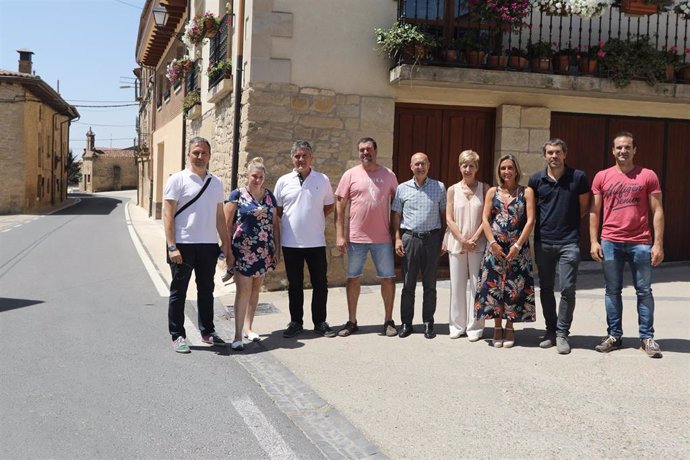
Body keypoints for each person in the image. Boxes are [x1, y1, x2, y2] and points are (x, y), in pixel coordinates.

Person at [589, 131, 665, 359]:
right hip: (610, 240)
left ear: (634, 150)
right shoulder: (602, 176)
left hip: (640, 242)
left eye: (627, 147)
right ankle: (614, 335)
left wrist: (658, 243)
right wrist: (593, 241)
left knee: (644, 291)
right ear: (613, 151)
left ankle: (647, 337)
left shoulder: (648, 175)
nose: (623, 151)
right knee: (612, 290)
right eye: (619, 147)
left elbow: (658, 210)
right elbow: (595, 210)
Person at [163, 137, 230, 353]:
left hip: (208, 245)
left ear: (210, 156)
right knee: (179, 292)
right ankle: (178, 335)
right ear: (189, 154)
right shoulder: (177, 180)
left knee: (206, 291)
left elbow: (220, 216)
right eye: (196, 152)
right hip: (183, 245)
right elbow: (167, 215)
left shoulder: (216, 183)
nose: (199, 157)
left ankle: (207, 332)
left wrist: (226, 244)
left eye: (203, 153)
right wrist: (172, 246)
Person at [528, 139, 590, 355]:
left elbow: (584, 206)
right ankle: (551, 331)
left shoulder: (578, 177)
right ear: (544, 155)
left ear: (565, 154)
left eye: (557, 152)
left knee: (567, 289)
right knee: (545, 288)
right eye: (550, 152)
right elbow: (532, 211)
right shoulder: (536, 180)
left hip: (569, 242)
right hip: (543, 242)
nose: (554, 156)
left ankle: (563, 333)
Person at [335, 137, 398, 337]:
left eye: (368, 149)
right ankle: (352, 321)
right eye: (361, 150)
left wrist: (396, 235)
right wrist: (339, 235)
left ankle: (388, 320)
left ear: (376, 150)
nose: (365, 153)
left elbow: (396, 208)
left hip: (383, 239)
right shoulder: (350, 175)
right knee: (353, 279)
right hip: (356, 239)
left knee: (388, 279)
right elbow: (340, 206)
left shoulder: (388, 175)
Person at [274, 140, 336, 338]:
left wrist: (312, 218)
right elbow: (278, 211)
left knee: (320, 284)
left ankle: (320, 322)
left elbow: (328, 206)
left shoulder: (322, 179)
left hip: (316, 242)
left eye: (304, 155)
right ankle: (296, 322)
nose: (301, 159)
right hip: (291, 243)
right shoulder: (283, 181)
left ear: (311, 158)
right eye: (297, 156)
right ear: (292, 158)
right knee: (295, 284)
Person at [475, 154, 536, 348]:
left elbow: (530, 220)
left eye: (510, 168)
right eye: (503, 168)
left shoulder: (526, 192)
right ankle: (497, 327)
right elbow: (485, 219)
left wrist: (518, 245)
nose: (506, 172)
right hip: (495, 248)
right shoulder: (492, 192)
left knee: (514, 287)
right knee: (493, 287)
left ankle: (510, 327)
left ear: (516, 170)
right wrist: (492, 243)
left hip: (518, 248)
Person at [224, 157, 281, 351]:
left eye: (261, 177)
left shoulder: (269, 197)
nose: (257, 180)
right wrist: (227, 253)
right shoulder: (236, 195)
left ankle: (249, 328)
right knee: (243, 291)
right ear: (247, 176)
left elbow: (274, 225)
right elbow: (226, 225)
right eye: (254, 176)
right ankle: (237, 335)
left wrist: (277, 249)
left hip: (264, 251)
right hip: (243, 251)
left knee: (256, 289)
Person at [392, 152, 446, 339]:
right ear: (411, 166)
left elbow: (444, 214)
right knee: (408, 284)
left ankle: (428, 322)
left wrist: (443, 238)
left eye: (423, 163)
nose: (420, 167)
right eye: (416, 164)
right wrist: (397, 238)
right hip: (410, 239)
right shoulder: (402, 188)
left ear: (428, 165)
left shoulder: (439, 187)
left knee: (430, 285)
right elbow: (396, 215)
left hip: (431, 239)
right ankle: (406, 323)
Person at [444, 150, 488, 342]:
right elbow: (449, 217)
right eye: (464, 165)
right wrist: (462, 239)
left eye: (471, 165)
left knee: (478, 285)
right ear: (459, 167)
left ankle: (475, 327)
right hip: (457, 242)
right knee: (457, 285)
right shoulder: (452, 189)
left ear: (477, 168)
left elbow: (487, 217)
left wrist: (475, 237)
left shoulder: (485, 188)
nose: (467, 169)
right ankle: (456, 325)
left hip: (479, 243)